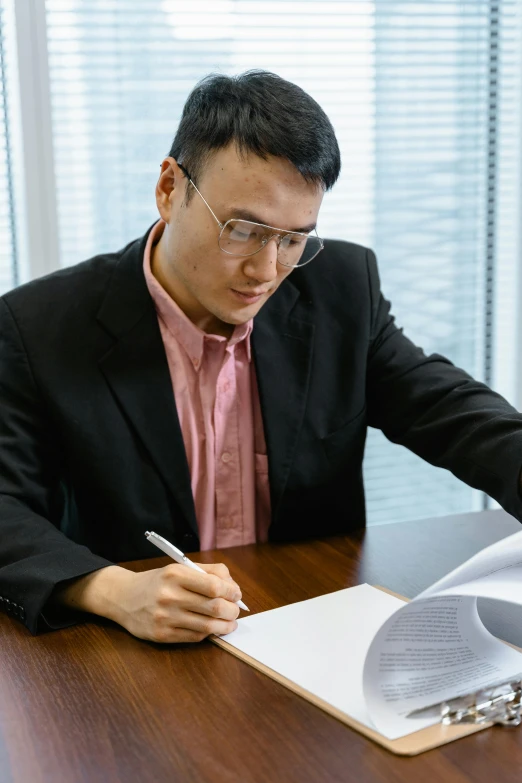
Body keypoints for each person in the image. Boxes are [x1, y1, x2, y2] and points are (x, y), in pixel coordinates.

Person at [1, 71, 522, 644]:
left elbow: (450, 409)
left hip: (314, 632)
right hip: (134, 655)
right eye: (244, 230)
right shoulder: (38, 327)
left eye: (294, 238)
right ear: (170, 189)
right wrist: (111, 588)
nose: (266, 270)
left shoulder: (340, 290)